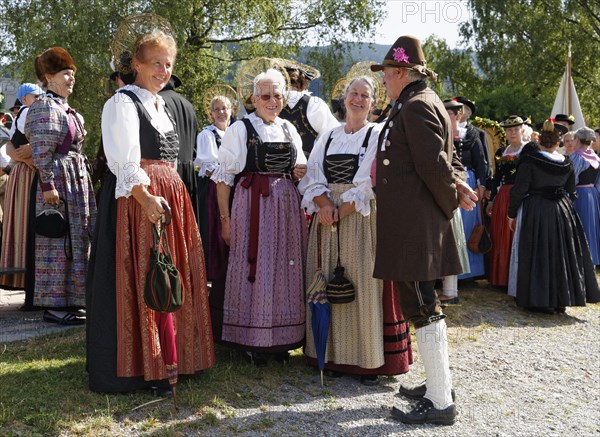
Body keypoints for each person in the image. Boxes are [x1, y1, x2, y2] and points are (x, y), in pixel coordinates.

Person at [87, 29, 215, 393]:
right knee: (144, 274)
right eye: (155, 63)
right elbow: (124, 161)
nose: (162, 70)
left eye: (168, 63)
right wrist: (144, 199)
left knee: (167, 275)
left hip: (169, 196)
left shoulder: (161, 105)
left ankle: (175, 358)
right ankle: (145, 366)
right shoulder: (123, 103)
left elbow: (170, 158)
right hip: (137, 200)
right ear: (137, 64)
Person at [370, 35, 477, 425]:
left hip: (414, 226)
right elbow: (445, 160)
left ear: (400, 72)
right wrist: (457, 186)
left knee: (422, 307)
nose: (383, 80)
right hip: (411, 223)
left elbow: (434, 165)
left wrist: (453, 199)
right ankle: (439, 384)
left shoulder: (415, 105)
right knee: (422, 305)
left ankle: (440, 402)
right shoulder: (415, 102)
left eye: (386, 74)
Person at [298, 76, 412, 385]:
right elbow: (313, 176)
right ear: (344, 98)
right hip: (327, 218)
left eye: (365, 95)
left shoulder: (377, 135)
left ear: (373, 103)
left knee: (361, 283)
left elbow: (368, 182)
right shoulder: (329, 136)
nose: (358, 99)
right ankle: (332, 356)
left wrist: (339, 211)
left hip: (361, 218)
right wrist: (323, 207)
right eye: (353, 94)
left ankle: (367, 360)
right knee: (327, 282)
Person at [211, 68, 307, 366]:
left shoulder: (289, 129)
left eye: (277, 95)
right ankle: (251, 340)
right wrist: (225, 221)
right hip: (252, 204)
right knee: (254, 267)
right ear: (253, 98)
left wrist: (298, 170)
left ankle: (282, 340)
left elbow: (300, 165)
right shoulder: (241, 129)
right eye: (265, 95)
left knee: (283, 266)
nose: (272, 101)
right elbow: (224, 178)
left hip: (285, 205)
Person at [25, 47, 96, 324]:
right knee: (57, 239)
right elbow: (42, 149)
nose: (71, 79)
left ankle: (70, 299)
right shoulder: (44, 107)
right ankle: (54, 306)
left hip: (74, 180)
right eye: (66, 74)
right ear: (48, 76)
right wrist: (48, 186)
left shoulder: (64, 107)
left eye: (72, 74)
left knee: (76, 239)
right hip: (57, 182)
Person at [507, 119, 600, 312]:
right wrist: (563, 205)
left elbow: (519, 190)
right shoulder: (566, 162)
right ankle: (559, 300)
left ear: (540, 140)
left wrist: (512, 213)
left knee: (538, 253)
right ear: (558, 143)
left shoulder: (531, 160)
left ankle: (540, 301)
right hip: (562, 211)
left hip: (536, 209)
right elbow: (572, 191)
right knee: (560, 255)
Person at [0, 83, 44, 292]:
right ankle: (29, 277)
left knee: (23, 221)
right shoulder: (27, 112)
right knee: (27, 221)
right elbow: (11, 147)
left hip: (23, 171)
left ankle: (25, 278)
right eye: (37, 96)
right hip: (28, 173)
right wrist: (27, 160)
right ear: (26, 98)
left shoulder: (25, 113)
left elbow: (11, 146)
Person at [195, 93, 233, 281]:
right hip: (213, 189)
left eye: (224, 108)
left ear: (231, 111)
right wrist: (226, 179)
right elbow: (209, 167)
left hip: (231, 187)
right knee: (216, 227)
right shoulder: (206, 135)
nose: (221, 112)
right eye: (216, 109)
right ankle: (214, 273)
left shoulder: (235, 133)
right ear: (210, 114)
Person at [437, 99, 471, 304]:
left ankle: (451, 291)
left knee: (452, 243)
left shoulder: (449, 138)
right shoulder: (437, 133)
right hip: (433, 198)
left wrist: (456, 183)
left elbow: (458, 166)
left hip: (448, 198)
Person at [487, 115, 527, 287]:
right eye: (509, 129)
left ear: (522, 130)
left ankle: (516, 278)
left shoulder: (528, 150)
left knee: (515, 234)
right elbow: (496, 177)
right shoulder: (501, 151)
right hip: (503, 195)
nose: (512, 132)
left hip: (521, 195)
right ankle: (500, 278)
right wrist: (491, 200)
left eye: (516, 129)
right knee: (500, 234)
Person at [159, 74, 200, 219]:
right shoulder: (188, 105)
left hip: (169, 172)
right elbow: (195, 146)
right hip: (188, 171)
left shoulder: (157, 102)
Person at [279, 61, 339, 157]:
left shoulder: (272, 103)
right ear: (304, 82)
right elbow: (333, 136)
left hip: (276, 165)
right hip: (309, 167)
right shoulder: (315, 104)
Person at [570, 127, 600, 266]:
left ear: (577, 139)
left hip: (579, 195)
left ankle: (580, 263)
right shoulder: (596, 158)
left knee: (578, 229)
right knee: (590, 229)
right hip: (593, 196)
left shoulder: (576, 157)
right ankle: (590, 263)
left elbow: (571, 180)